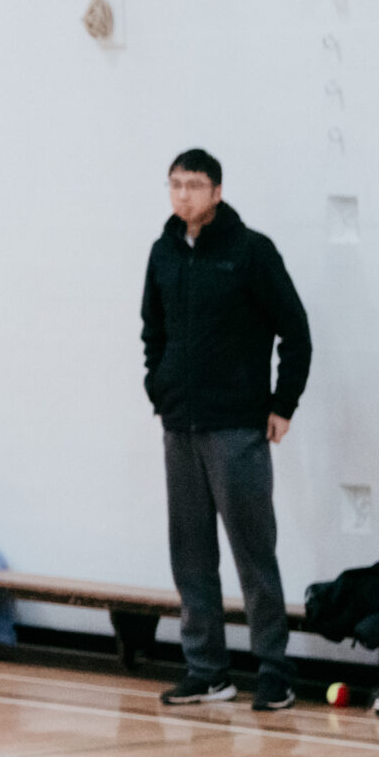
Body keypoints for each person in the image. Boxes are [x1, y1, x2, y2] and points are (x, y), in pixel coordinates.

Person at [142, 148, 312, 712]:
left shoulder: (250, 252)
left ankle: (274, 670)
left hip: (237, 427)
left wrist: (282, 405)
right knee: (190, 555)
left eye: (194, 184)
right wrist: (160, 388)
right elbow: (153, 333)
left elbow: (296, 333)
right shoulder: (164, 252)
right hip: (180, 426)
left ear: (217, 191)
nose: (183, 194)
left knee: (253, 553)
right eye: (175, 184)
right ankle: (207, 669)